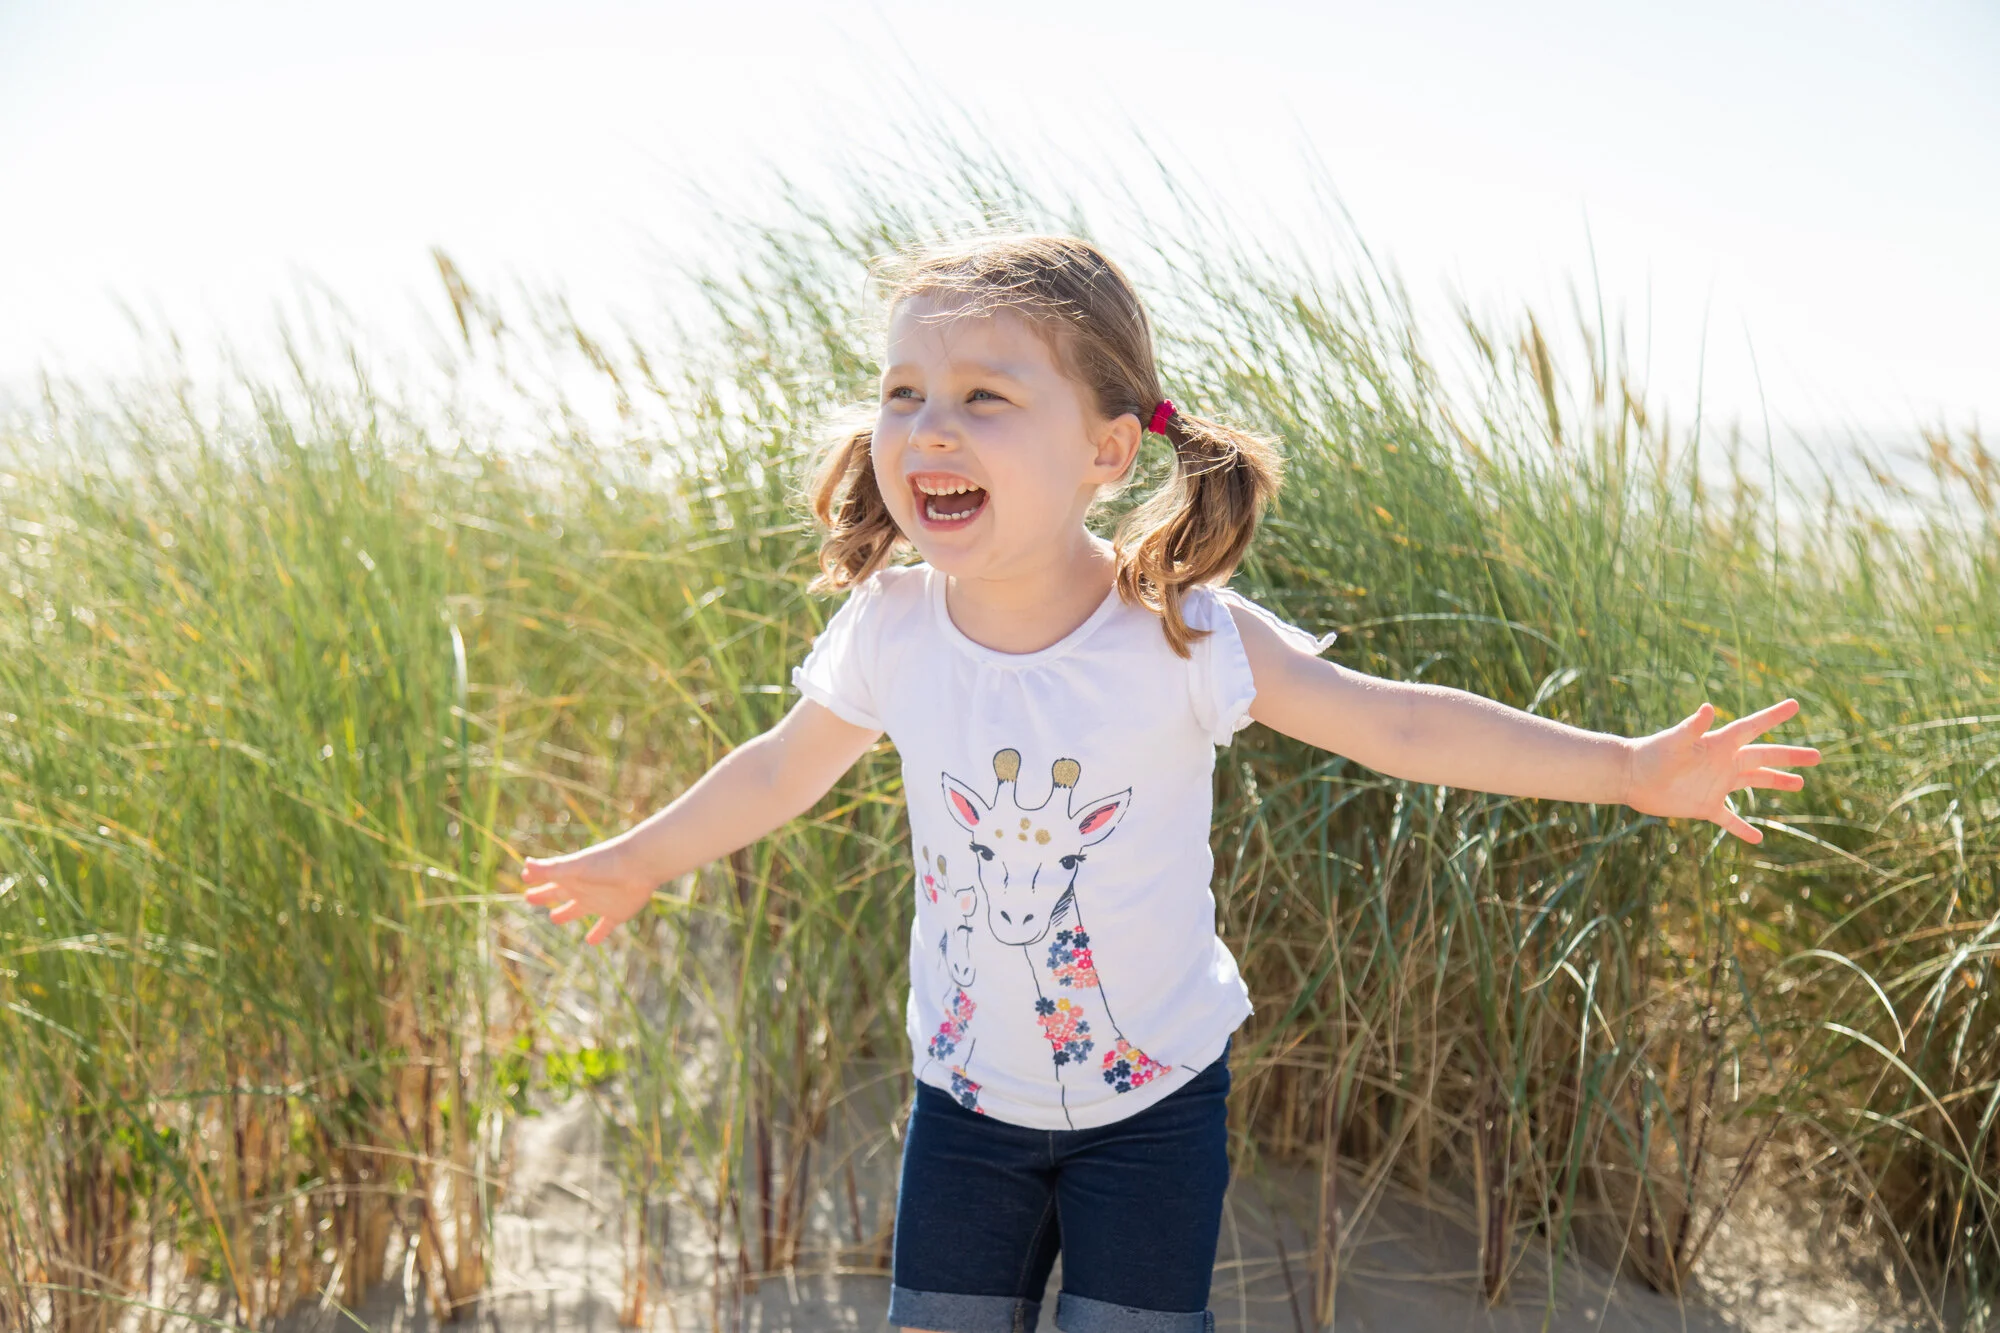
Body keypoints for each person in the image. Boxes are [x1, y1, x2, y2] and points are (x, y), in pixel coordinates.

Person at [517, 232, 1820, 1333]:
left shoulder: (1181, 634)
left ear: (1105, 452)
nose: (927, 426)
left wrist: (1631, 769)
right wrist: (642, 859)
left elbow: (1402, 729)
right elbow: (776, 772)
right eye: (904, 391)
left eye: (985, 396)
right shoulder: (894, 627)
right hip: (963, 1108)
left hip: (1153, 1112)